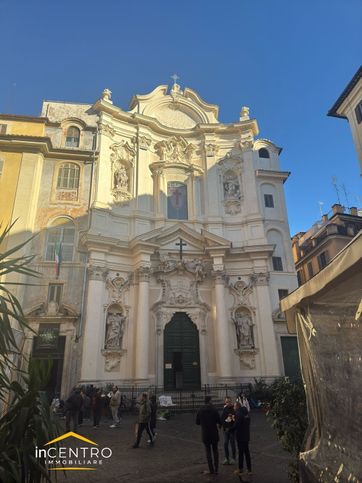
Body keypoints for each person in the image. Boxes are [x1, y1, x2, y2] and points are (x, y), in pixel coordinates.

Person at [196, 395, 221, 476]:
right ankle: (216, 469)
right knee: (215, 451)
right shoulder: (214, 409)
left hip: (205, 433)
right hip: (214, 433)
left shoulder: (200, 410)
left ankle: (211, 470)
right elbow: (219, 421)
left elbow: (197, 422)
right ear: (210, 401)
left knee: (208, 451)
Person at [230, 401, 252, 477]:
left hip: (240, 436)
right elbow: (248, 423)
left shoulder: (238, 414)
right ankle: (249, 470)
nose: (233, 408)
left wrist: (230, 429)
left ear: (238, 407)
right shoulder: (246, 414)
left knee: (241, 453)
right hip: (246, 435)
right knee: (247, 453)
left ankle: (240, 468)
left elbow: (237, 425)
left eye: (234, 406)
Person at [221, 397, 236, 465]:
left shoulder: (234, 409)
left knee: (232, 444)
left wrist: (232, 417)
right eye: (227, 402)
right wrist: (223, 426)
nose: (228, 403)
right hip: (225, 430)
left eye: (229, 402)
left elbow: (235, 420)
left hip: (232, 430)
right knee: (225, 444)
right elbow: (222, 419)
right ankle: (226, 458)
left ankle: (233, 458)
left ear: (231, 402)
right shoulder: (225, 409)